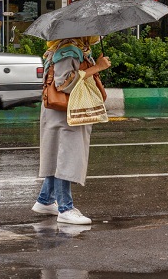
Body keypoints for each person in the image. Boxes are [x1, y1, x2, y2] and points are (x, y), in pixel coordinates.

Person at [31, 36, 111, 225]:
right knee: (66, 157)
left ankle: (45, 200)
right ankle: (65, 208)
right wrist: (97, 67)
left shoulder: (76, 49)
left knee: (58, 155)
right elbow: (64, 83)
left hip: (64, 112)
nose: (96, 35)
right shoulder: (69, 51)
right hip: (65, 112)